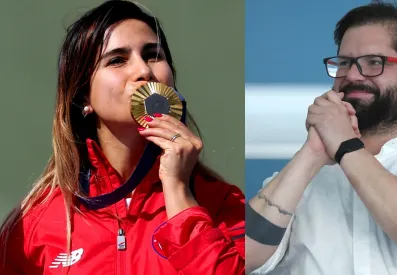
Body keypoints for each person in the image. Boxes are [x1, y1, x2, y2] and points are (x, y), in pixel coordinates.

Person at [0, 1, 245, 274]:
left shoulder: (225, 204)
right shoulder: (34, 225)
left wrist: (177, 189)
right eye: (117, 60)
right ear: (83, 95)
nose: (144, 71)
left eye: (153, 55)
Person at [245, 2, 397, 275]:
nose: (351, 75)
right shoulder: (298, 180)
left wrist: (346, 145)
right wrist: (313, 151)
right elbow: (239, 257)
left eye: (374, 62)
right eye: (345, 62)